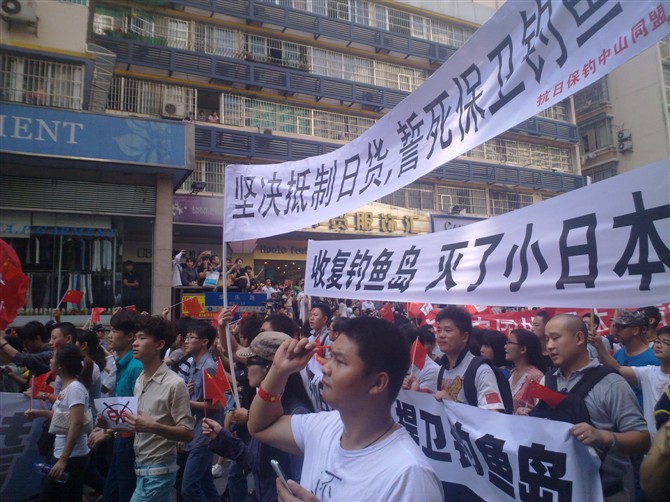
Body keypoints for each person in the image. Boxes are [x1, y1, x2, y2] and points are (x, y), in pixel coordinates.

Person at [247, 317, 443, 501]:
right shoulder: (324, 426)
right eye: (331, 357)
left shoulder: (409, 476)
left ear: (377, 383)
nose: (326, 368)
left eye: (340, 361)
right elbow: (261, 426)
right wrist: (279, 370)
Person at [539, 314, 650, 500]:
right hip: (558, 490)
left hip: (605, 493)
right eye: (546, 339)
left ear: (579, 338)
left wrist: (604, 436)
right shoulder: (546, 381)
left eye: (555, 338)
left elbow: (643, 439)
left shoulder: (611, 383)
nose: (549, 346)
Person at [203, 331, 313, 502]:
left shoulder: (296, 414)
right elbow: (256, 462)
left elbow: (301, 481)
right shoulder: (266, 409)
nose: (245, 366)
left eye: (250, 362)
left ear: (269, 367)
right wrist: (221, 437)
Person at [123, 315, 195, 502]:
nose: (135, 343)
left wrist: (151, 426)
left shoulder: (175, 384)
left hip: (159, 471)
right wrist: (108, 427)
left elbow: (188, 433)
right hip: (140, 468)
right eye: (135, 338)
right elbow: (139, 423)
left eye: (142, 338)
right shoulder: (140, 378)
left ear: (159, 344)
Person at [88, 309, 144, 502]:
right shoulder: (120, 364)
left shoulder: (136, 367)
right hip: (120, 439)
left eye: (114, 330)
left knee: (126, 495)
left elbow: (138, 413)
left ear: (130, 336)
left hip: (130, 443)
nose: (109, 335)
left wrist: (108, 431)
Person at [25, 344, 91, 502]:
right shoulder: (68, 387)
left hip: (72, 456)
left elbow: (76, 422)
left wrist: (63, 460)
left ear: (61, 366)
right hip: (67, 453)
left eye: (53, 358)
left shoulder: (75, 389)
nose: (50, 361)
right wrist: (40, 413)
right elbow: (65, 418)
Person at [590, 325, 670, 439]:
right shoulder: (648, 373)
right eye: (657, 341)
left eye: (665, 342)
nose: (658, 345)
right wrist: (599, 346)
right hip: (652, 443)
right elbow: (618, 368)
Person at [433, 307, 507, 411]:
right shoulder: (440, 370)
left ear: (464, 337)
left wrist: (452, 404)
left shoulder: (481, 371)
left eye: (447, 330)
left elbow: (493, 413)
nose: (441, 335)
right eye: (439, 330)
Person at [180, 321, 222, 502]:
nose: (186, 341)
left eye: (191, 337)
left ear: (204, 342)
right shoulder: (194, 365)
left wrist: (186, 402)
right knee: (206, 484)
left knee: (189, 488)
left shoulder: (208, 367)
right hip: (197, 430)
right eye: (186, 337)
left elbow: (216, 405)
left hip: (204, 434)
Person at [504, 328, 546, 414]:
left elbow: (541, 410)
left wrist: (529, 413)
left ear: (523, 349)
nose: (505, 346)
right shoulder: (512, 372)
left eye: (509, 342)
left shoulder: (536, 376)